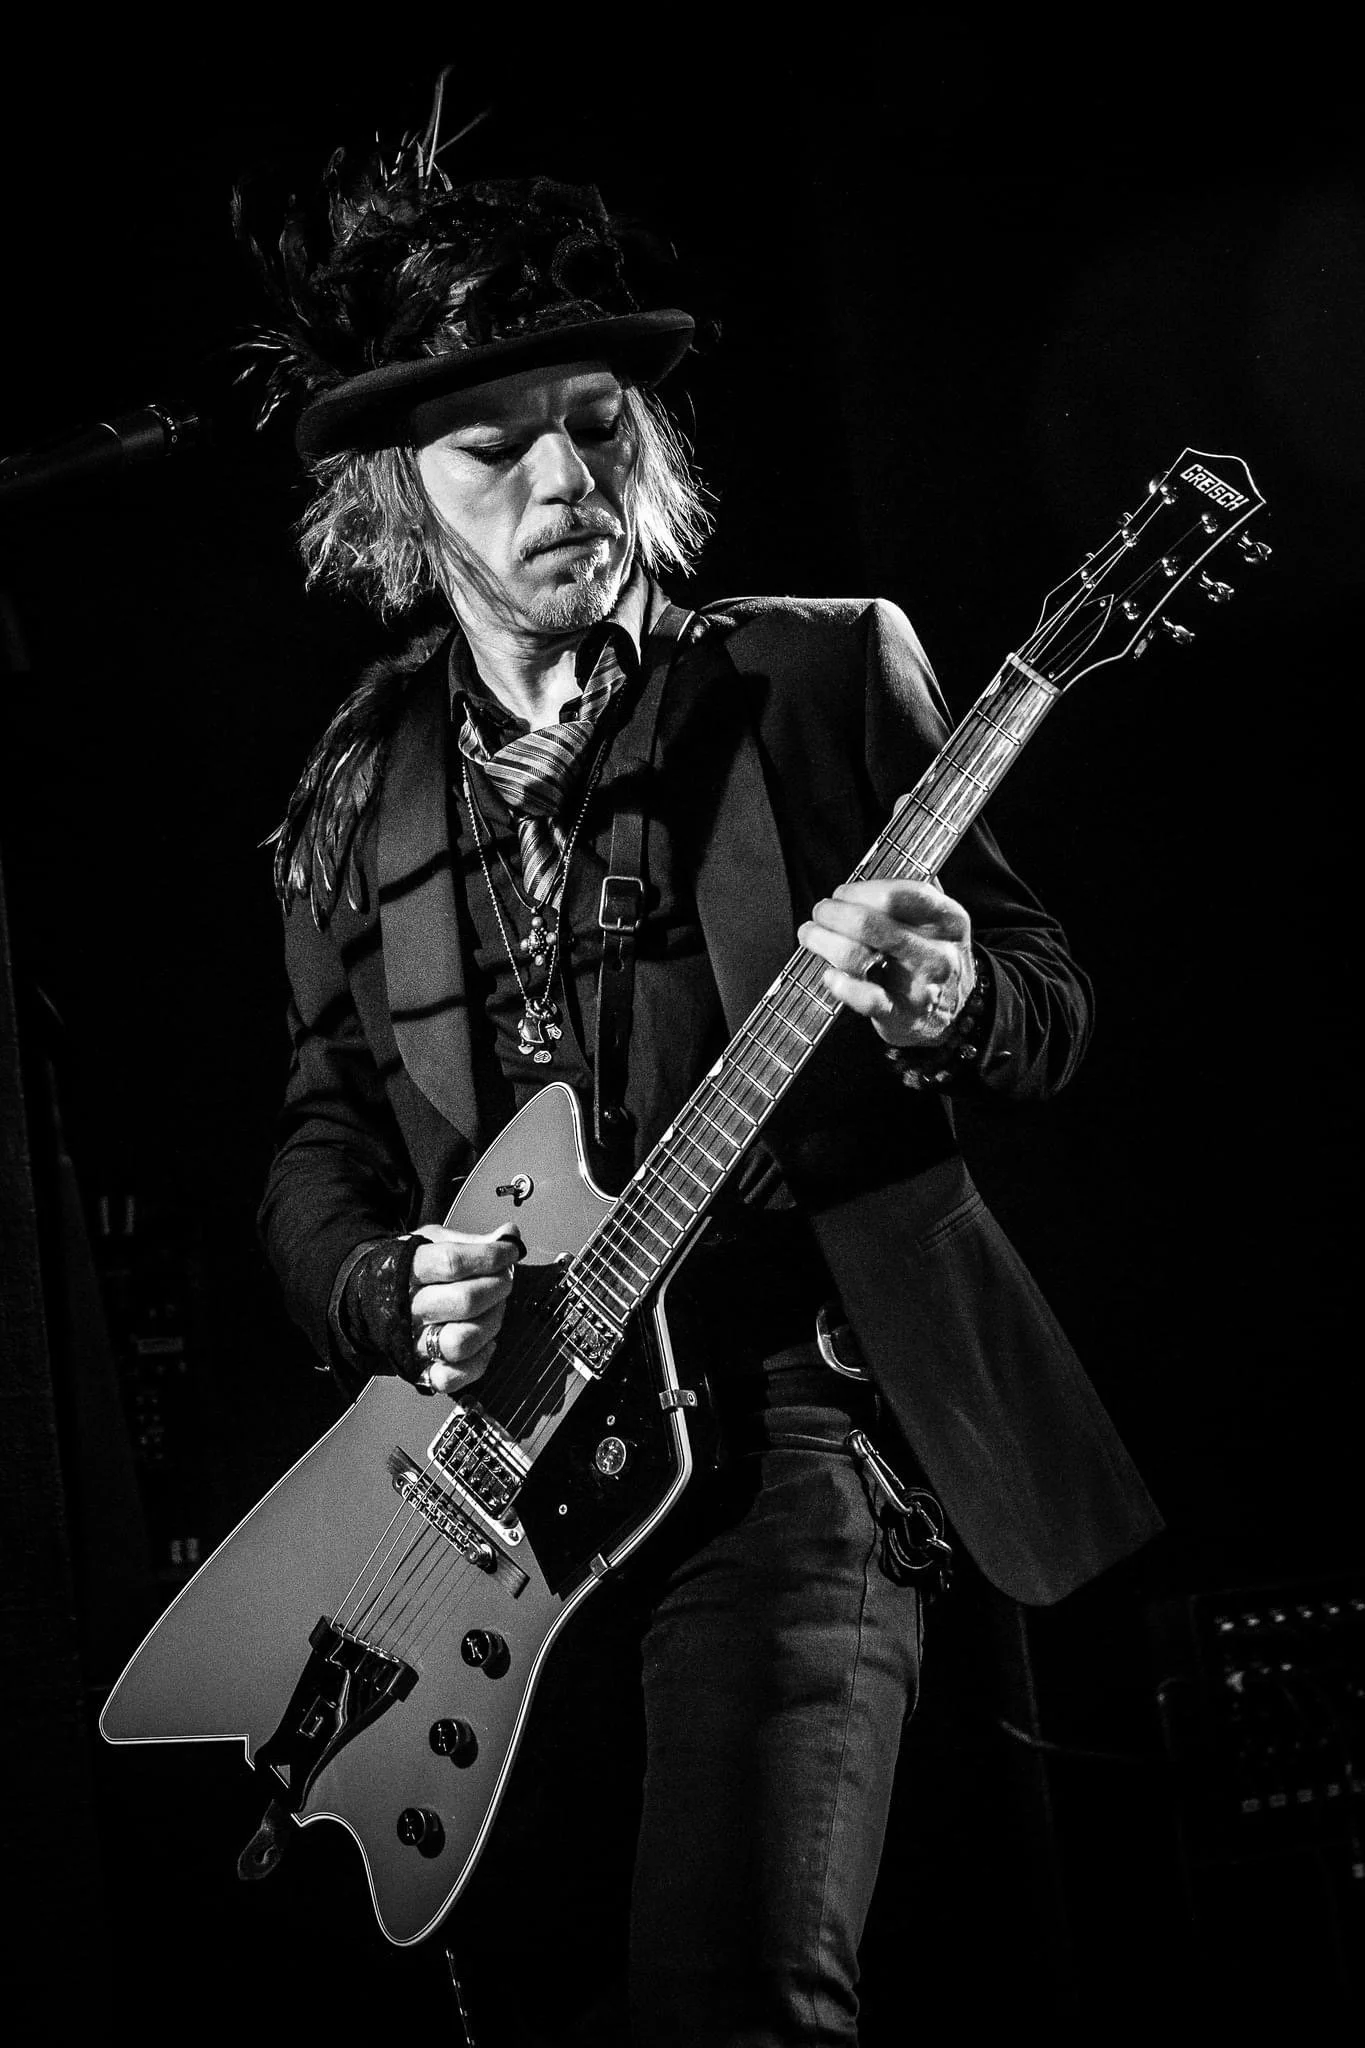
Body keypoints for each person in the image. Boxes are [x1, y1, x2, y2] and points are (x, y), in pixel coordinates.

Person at [249, 108, 1161, 2048]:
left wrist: (944, 992)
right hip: (490, 1473)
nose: (562, 473)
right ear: (406, 505)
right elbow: (320, 1139)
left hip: (784, 1439)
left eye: (597, 422)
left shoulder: (816, 678)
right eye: (497, 445)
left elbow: (1049, 1001)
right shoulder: (354, 791)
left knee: (731, 2000)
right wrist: (376, 1282)